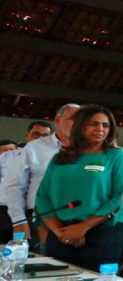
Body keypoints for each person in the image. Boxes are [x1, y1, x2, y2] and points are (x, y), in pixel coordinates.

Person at [35, 105, 123, 272]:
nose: (100, 129)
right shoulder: (60, 157)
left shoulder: (117, 156)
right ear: (80, 125)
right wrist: (61, 232)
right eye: (94, 124)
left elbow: (120, 196)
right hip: (61, 232)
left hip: (101, 232)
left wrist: (83, 227)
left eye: (105, 125)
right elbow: (42, 198)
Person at [2, 104, 79, 249]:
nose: (78, 123)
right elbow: (15, 186)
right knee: (42, 259)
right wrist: (19, 221)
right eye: (73, 119)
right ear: (58, 120)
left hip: (79, 219)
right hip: (40, 219)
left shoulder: (91, 149)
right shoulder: (35, 148)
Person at [0, 121, 52, 242]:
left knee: (29, 249)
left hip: (33, 211)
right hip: (4, 210)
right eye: (36, 134)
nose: (40, 139)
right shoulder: (7, 156)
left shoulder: (53, 159)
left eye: (45, 136)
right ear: (27, 135)